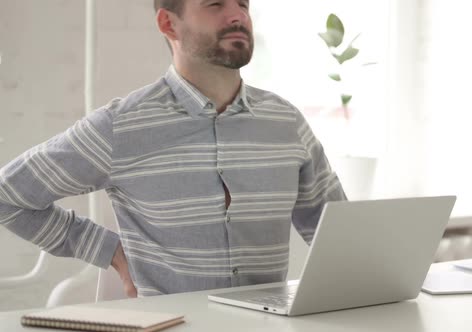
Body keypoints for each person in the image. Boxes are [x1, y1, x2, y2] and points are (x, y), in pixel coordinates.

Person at [0, 0, 346, 298]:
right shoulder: (122, 125)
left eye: (243, 4)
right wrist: (110, 250)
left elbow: (338, 232)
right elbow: (8, 195)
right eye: (215, 4)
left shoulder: (285, 122)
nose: (237, 15)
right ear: (169, 23)